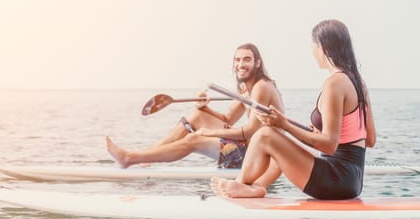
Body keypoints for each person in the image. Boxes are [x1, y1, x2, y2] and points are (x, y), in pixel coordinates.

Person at [213, 19, 376, 199]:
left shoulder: (334, 83)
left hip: (336, 180)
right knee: (276, 147)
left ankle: (240, 184)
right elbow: (369, 140)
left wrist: (284, 125)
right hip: (352, 180)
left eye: (314, 46)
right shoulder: (359, 83)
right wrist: (293, 127)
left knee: (265, 135)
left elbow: (329, 145)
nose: (313, 52)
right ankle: (255, 186)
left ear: (324, 47)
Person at [106, 43, 285, 171]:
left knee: (194, 140)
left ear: (258, 63)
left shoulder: (262, 87)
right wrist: (204, 108)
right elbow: (228, 119)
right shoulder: (247, 89)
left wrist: (207, 132)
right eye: (237, 60)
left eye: (246, 60)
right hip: (251, 146)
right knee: (197, 116)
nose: (240, 65)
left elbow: (250, 131)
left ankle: (129, 158)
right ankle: (147, 158)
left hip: (261, 157)